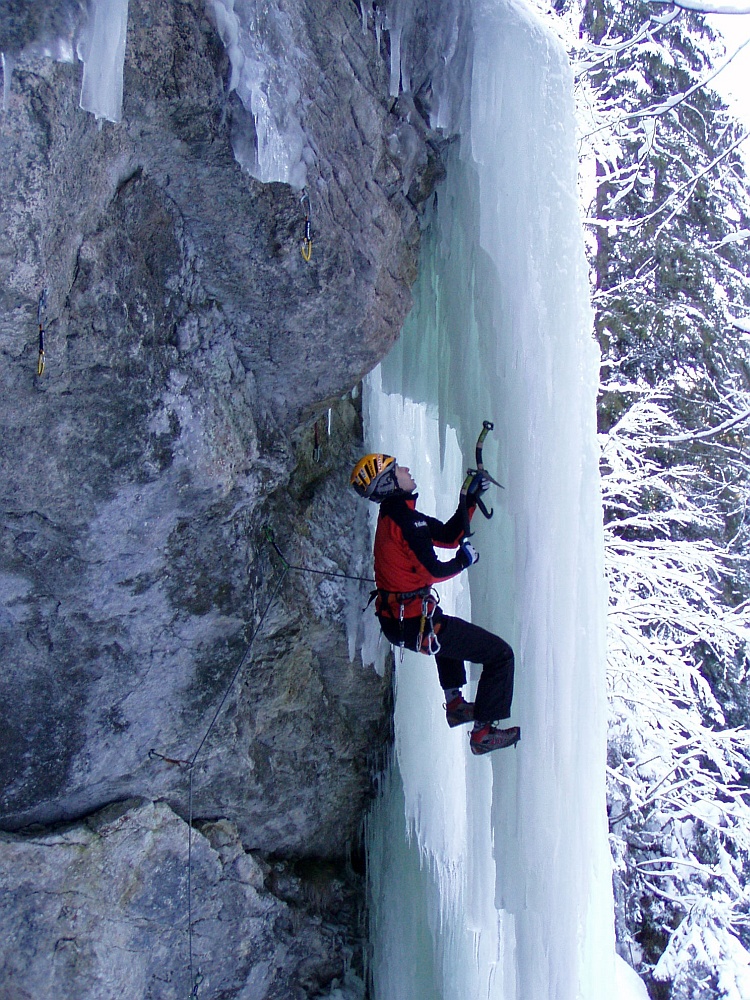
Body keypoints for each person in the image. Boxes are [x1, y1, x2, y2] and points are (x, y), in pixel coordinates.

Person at [351, 452, 520, 755]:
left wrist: (468, 499)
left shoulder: (400, 516)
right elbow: (433, 570)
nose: (405, 469)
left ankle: (456, 705)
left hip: (406, 623)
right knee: (500, 655)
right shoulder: (404, 520)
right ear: (390, 482)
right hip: (413, 623)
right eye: (396, 468)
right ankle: (483, 731)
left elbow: (447, 535)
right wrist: (462, 562)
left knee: (444, 630)